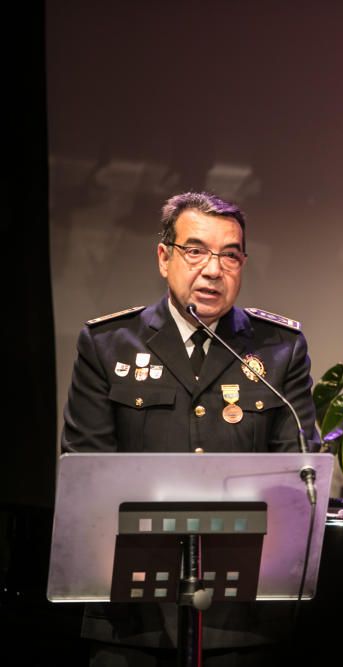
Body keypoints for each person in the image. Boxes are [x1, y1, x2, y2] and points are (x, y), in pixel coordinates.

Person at [61, 191, 320, 666]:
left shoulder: (280, 350)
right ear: (164, 257)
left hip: (241, 623)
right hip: (132, 620)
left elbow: (297, 478)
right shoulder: (109, 345)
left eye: (230, 255)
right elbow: (86, 478)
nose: (213, 270)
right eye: (195, 250)